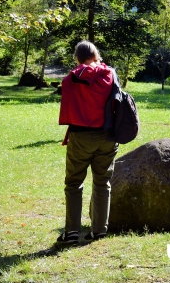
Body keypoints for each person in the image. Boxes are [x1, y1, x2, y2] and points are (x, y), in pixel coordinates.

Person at [57, 41, 117, 244]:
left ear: (77, 58)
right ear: (96, 55)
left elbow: (66, 90)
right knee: (103, 182)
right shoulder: (109, 74)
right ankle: (99, 230)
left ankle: (72, 232)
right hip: (108, 135)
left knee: (74, 183)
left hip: (81, 135)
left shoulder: (73, 77)